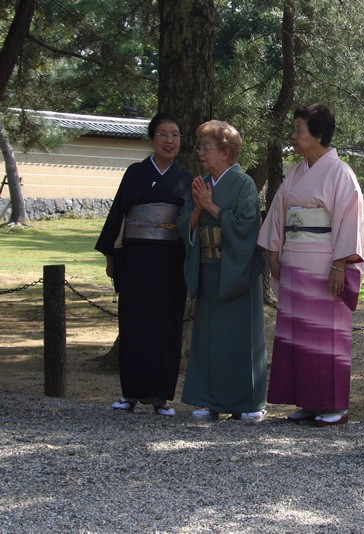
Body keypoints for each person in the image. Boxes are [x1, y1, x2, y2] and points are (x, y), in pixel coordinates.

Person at [258, 104, 364, 426]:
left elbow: (350, 221)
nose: (294, 136)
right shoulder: (296, 172)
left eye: (299, 131)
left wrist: (339, 266)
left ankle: (333, 405)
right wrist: (274, 253)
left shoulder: (341, 172)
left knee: (326, 335)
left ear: (318, 135)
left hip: (324, 266)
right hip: (295, 262)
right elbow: (279, 212)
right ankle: (308, 400)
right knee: (298, 334)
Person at [95, 113, 192, 417]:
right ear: (152, 139)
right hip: (136, 258)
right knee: (134, 323)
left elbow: (190, 223)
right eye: (162, 134)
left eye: (175, 135)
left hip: (171, 261)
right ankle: (130, 394)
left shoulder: (186, 178)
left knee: (167, 326)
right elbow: (118, 215)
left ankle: (162, 396)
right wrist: (112, 255)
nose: (169, 140)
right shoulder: (135, 173)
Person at [177, 120, 268, 423]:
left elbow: (248, 227)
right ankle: (209, 401)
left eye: (207, 146)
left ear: (227, 151)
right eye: (200, 145)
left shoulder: (244, 184)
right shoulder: (201, 183)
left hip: (236, 269)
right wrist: (198, 208)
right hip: (208, 266)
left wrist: (212, 208)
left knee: (241, 339)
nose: (200, 152)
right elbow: (183, 225)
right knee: (208, 338)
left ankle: (247, 403)